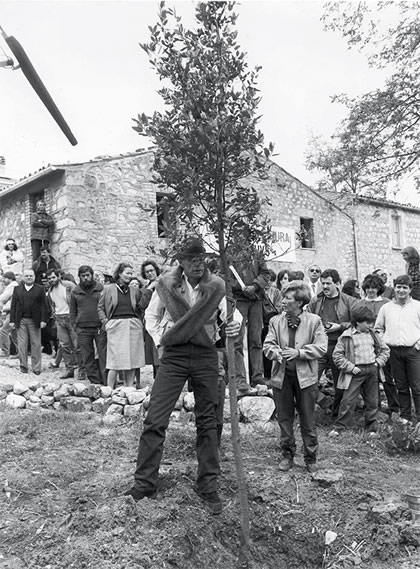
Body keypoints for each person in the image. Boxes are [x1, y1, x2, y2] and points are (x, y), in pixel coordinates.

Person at [126, 239, 242, 514]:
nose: (198, 263)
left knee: (209, 420)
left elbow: (231, 315)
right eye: (191, 258)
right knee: (155, 418)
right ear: (181, 261)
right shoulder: (165, 285)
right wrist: (162, 343)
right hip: (174, 357)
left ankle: (208, 486)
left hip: (205, 356)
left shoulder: (216, 287)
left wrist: (233, 326)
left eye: (201, 257)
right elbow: (150, 317)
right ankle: (144, 485)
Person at [263, 281, 327, 473]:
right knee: (284, 418)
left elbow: (322, 347)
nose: (283, 301)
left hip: (306, 379)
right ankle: (287, 454)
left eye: (288, 298)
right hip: (281, 378)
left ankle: (310, 457)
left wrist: (299, 353)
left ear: (299, 302)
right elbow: (268, 345)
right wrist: (277, 353)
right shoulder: (275, 321)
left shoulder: (314, 321)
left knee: (307, 419)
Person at [331, 305, 390, 436]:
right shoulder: (346, 336)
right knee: (348, 400)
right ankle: (339, 428)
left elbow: (385, 350)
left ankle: (371, 429)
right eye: (367, 323)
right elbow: (337, 355)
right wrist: (350, 367)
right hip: (355, 372)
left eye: (372, 323)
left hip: (372, 370)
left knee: (372, 401)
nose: (370, 325)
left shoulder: (374, 335)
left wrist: (378, 363)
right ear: (357, 322)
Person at [307, 269, 357, 419]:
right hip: (319, 347)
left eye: (328, 283)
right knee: (308, 382)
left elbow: (356, 324)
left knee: (340, 385)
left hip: (340, 348)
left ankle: (336, 417)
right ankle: (325, 403)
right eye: (323, 283)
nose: (325, 287)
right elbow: (308, 320)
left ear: (337, 284)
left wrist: (339, 326)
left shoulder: (349, 301)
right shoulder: (316, 301)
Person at [97, 262, 152, 389]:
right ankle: (109, 390)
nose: (130, 276)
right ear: (119, 274)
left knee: (132, 360)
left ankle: (129, 388)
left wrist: (150, 288)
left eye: (131, 273)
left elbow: (140, 306)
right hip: (115, 325)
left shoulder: (134, 290)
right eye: (127, 273)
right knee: (115, 360)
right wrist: (106, 322)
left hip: (133, 325)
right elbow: (100, 307)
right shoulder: (108, 288)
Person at [375, 274, 420, 422]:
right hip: (393, 352)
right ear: (394, 289)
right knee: (400, 386)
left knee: (417, 386)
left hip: (413, 351)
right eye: (398, 287)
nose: (401, 290)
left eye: (404, 287)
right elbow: (378, 328)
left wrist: (417, 345)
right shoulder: (386, 308)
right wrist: (384, 343)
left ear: (410, 290)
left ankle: (419, 418)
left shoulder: (417, 306)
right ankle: (405, 417)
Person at [358, 273, 399, 415]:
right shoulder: (360, 303)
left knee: (387, 377)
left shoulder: (387, 303)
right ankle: (374, 408)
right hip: (365, 345)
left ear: (379, 289)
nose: (370, 290)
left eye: (373, 288)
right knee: (370, 379)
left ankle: (394, 407)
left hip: (383, 345)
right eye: (368, 287)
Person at [231, 253, 270, 392]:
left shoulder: (257, 253)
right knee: (236, 340)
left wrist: (254, 286)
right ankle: (240, 380)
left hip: (256, 299)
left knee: (256, 340)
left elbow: (265, 273)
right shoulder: (229, 252)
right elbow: (224, 277)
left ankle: (258, 378)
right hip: (237, 299)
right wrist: (241, 287)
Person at [70, 266, 107, 385]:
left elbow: (106, 306)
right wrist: (75, 325)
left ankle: (106, 381)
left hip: (99, 328)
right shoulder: (75, 291)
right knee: (87, 357)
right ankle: (95, 381)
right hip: (83, 329)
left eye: (88, 275)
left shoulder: (100, 289)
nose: (86, 278)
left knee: (103, 355)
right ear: (79, 277)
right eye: (83, 276)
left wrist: (105, 323)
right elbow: (72, 311)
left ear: (92, 275)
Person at [46, 268, 83, 380]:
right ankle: (69, 369)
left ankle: (82, 369)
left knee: (77, 345)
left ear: (58, 276)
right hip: (59, 318)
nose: (51, 280)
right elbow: (52, 305)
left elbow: (79, 299)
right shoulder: (50, 291)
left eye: (53, 277)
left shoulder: (68, 286)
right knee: (64, 345)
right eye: (49, 278)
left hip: (71, 317)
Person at [10, 269, 48, 375]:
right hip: (21, 320)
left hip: (34, 321)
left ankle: (36, 367)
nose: (29, 277)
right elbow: (13, 305)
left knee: (36, 344)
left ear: (34, 277)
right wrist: (12, 320)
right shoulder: (17, 289)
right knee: (22, 344)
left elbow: (44, 306)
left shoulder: (40, 289)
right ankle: (23, 366)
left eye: (31, 276)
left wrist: (43, 320)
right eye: (26, 276)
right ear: (23, 277)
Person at [141, 259, 161, 378]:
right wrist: (149, 289)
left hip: (162, 323)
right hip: (149, 324)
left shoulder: (164, 283)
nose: (150, 273)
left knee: (160, 353)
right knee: (153, 355)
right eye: (147, 272)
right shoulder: (145, 288)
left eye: (151, 270)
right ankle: (156, 379)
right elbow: (142, 304)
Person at [262, 269, 283, 380]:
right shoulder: (259, 291)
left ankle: (269, 375)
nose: (268, 283)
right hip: (260, 323)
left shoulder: (276, 292)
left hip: (272, 324)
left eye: (271, 280)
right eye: (267, 280)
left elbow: (278, 308)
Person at [0, 271, 19, 357]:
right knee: (15, 334)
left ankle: (5, 351)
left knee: (3, 331)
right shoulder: (15, 285)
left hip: (12, 312)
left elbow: (3, 298)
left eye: (5, 278)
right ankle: (20, 352)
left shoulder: (12, 286)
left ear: (10, 278)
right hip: (14, 311)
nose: (3, 280)